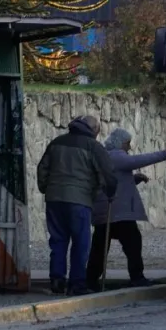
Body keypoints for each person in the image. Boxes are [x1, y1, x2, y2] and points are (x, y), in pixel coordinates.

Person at [37, 115, 117, 296]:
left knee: (58, 240)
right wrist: (111, 192)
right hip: (79, 200)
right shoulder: (94, 147)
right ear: (93, 130)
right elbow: (108, 172)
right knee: (81, 243)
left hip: (54, 198)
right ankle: (77, 284)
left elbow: (43, 168)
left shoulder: (56, 142)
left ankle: (57, 280)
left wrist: (46, 188)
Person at [86, 128, 166, 291]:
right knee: (133, 242)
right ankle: (137, 277)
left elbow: (114, 179)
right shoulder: (116, 156)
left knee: (100, 246)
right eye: (128, 143)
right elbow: (141, 160)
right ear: (120, 143)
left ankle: (91, 279)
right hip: (117, 211)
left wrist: (134, 179)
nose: (130, 147)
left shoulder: (104, 156)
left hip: (105, 209)